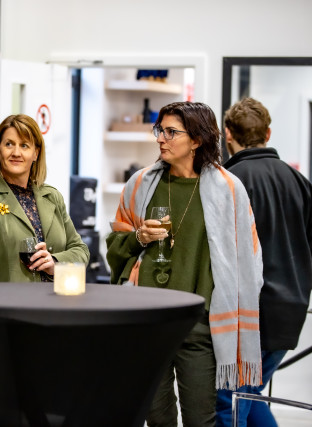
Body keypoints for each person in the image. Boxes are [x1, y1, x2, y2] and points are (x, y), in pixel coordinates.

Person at [106, 101, 263, 426]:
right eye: (159, 130)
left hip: (199, 327)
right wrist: (139, 238)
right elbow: (115, 248)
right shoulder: (140, 185)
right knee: (157, 418)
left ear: (197, 140)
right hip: (148, 324)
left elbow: (249, 261)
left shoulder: (229, 191)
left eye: (171, 132)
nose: (160, 139)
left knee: (200, 420)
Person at [216, 97, 312, 427]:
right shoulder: (299, 182)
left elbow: (217, 253)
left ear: (227, 134)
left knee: (229, 405)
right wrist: (296, 288)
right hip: (288, 314)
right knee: (249, 396)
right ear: (267, 133)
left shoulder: (228, 182)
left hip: (244, 319)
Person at [0, 114, 89, 283]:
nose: (16, 153)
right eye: (9, 144)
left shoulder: (52, 197)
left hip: (53, 298)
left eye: (24, 145)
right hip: (5, 299)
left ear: (36, 153)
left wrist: (55, 262)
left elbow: (80, 250)